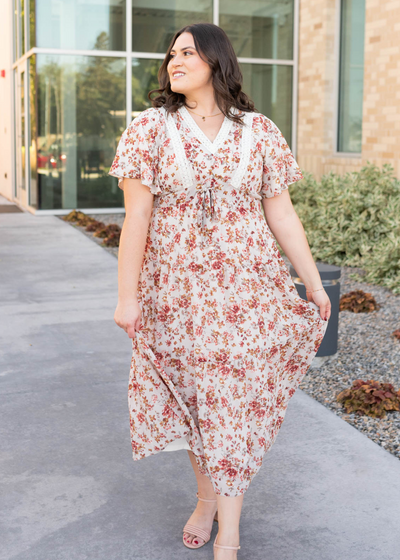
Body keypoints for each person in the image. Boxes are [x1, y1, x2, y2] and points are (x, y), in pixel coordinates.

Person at [109, 22, 330, 559]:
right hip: (177, 295)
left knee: (229, 403)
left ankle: (227, 534)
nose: (174, 61)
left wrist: (314, 281)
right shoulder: (149, 128)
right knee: (196, 403)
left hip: (248, 293)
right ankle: (206, 498)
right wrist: (127, 296)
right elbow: (135, 217)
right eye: (171, 54)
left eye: (187, 52)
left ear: (215, 60)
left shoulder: (259, 130)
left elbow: (280, 210)